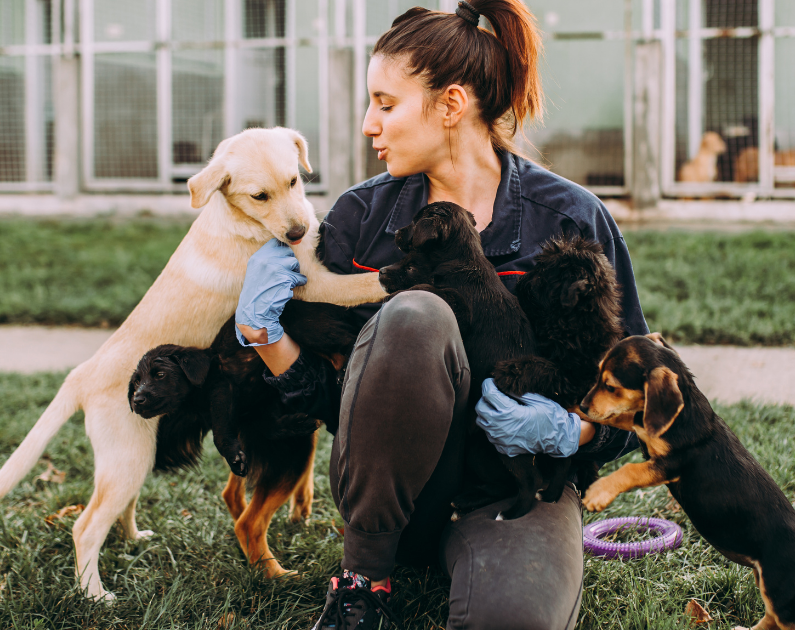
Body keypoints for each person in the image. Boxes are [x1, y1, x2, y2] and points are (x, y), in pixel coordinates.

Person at [233, 1, 649, 627]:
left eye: (386, 103)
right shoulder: (359, 221)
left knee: (514, 621)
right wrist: (267, 337)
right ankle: (364, 582)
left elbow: (633, 395)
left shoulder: (570, 221)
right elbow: (334, 402)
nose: (369, 123)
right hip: (396, 506)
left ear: (451, 105)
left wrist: (574, 432)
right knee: (416, 315)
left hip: (515, 492)